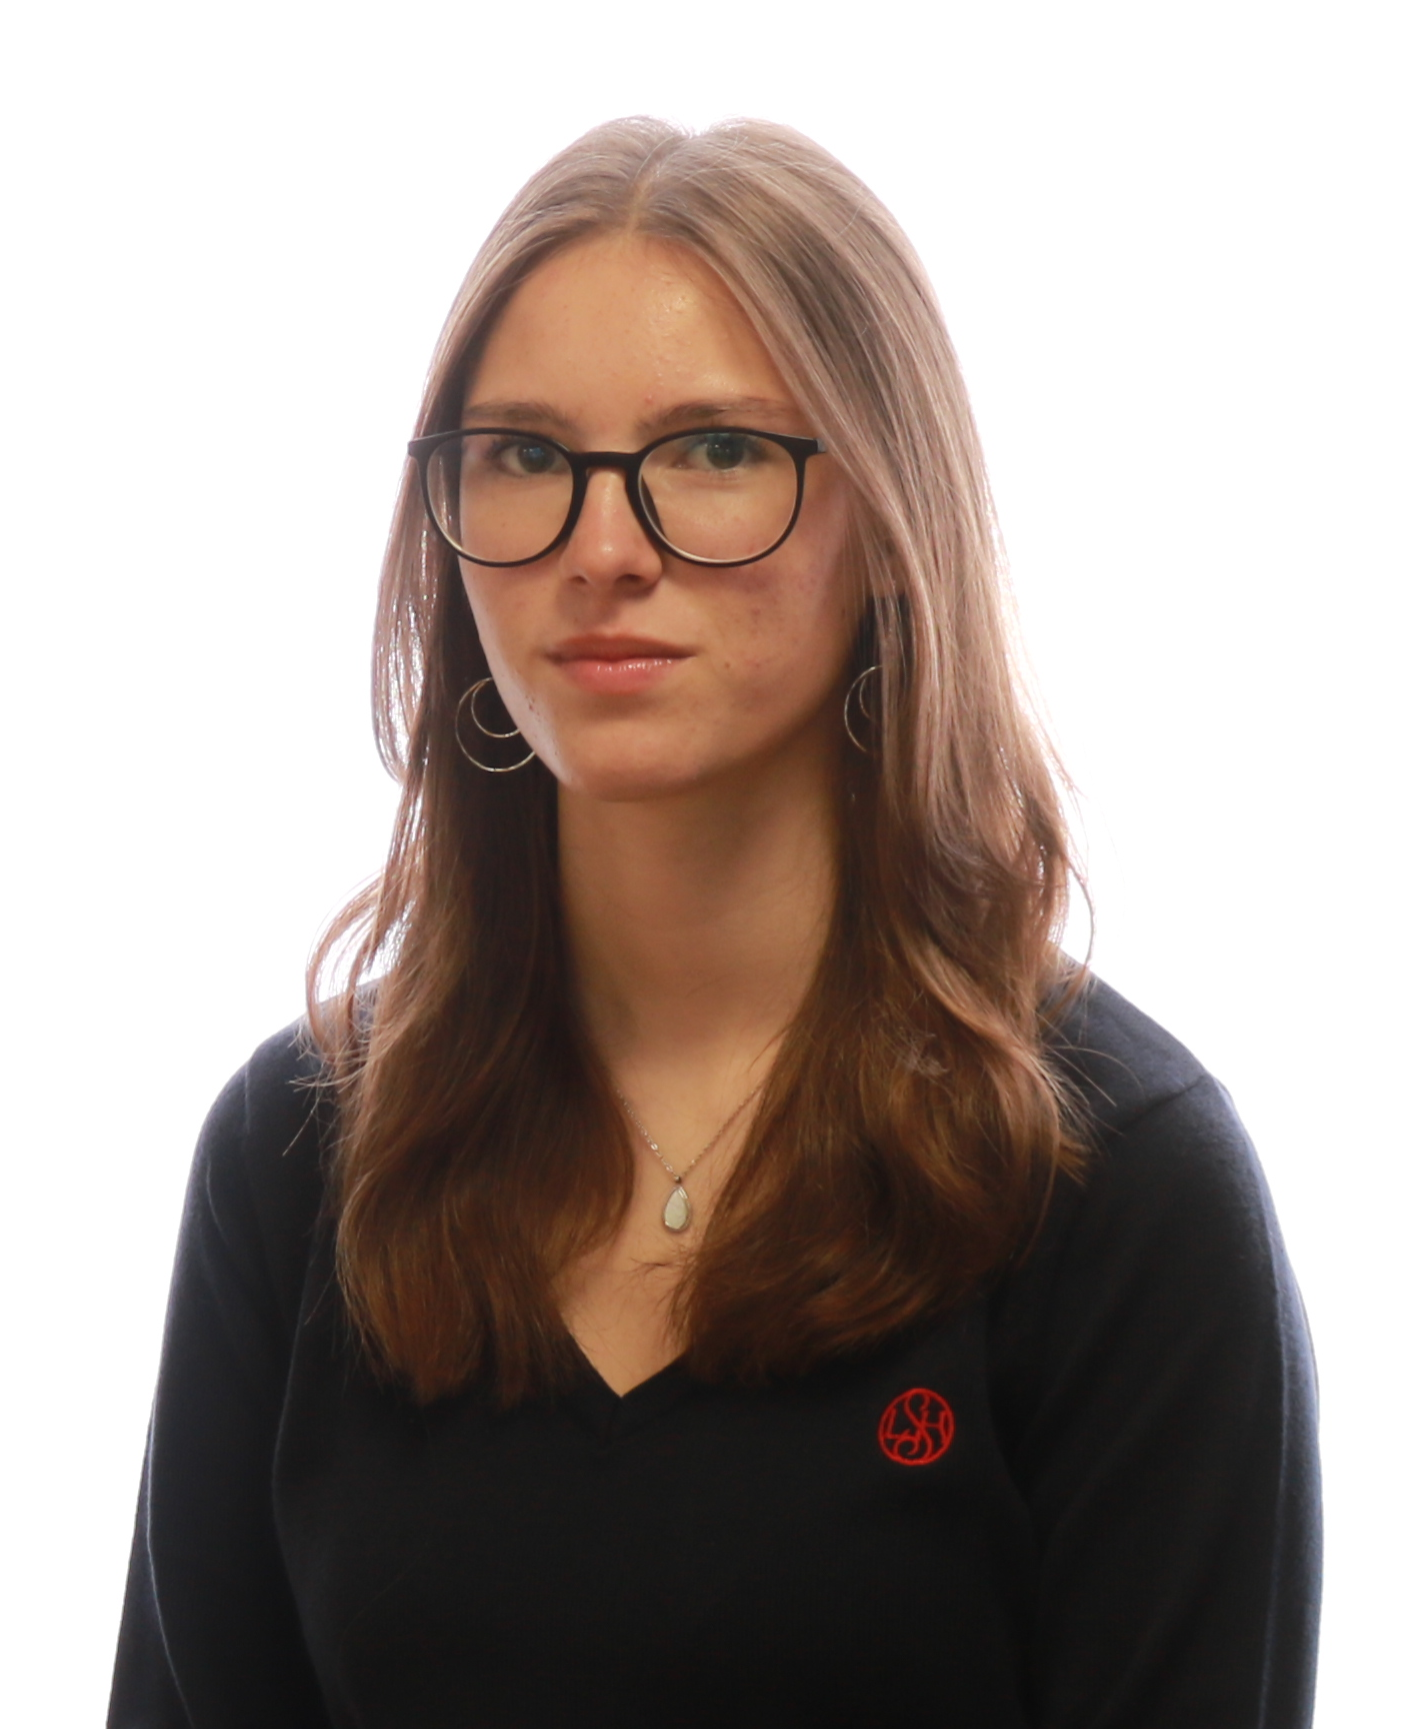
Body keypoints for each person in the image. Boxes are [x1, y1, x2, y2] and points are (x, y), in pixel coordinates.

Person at [108, 117, 1320, 1728]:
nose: (603, 550)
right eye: (525, 456)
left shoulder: (1122, 1190)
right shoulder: (295, 1153)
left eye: (717, 451)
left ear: (889, 523)